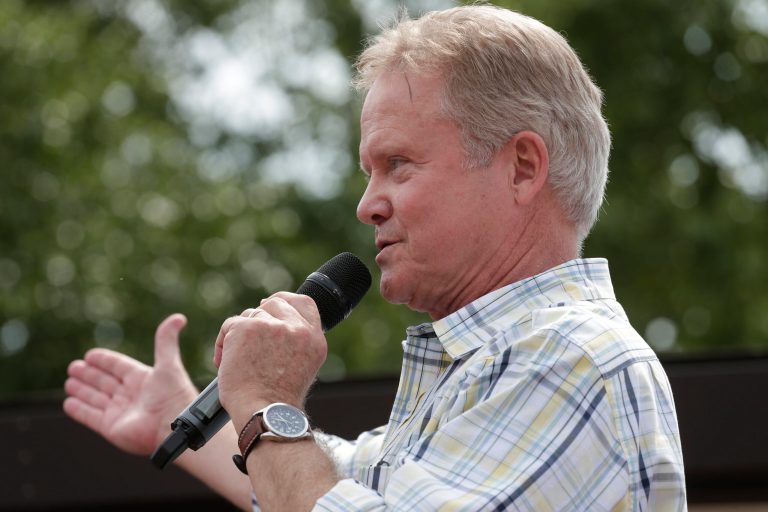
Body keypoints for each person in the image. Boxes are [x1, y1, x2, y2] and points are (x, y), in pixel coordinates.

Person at [63, 5, 686, 511]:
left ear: (521, 168)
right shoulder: (502, 370)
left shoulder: (573, 359)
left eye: (398, 164)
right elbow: (322, 487)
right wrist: (210, 414)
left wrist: (264, 400)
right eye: (369, 172)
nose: (367, 206)